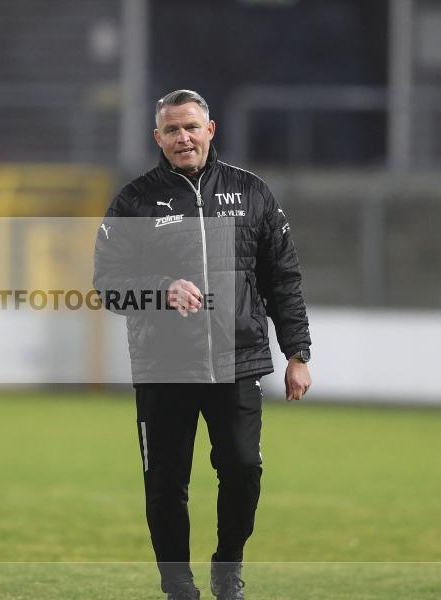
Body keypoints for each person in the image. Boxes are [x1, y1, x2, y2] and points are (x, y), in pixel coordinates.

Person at [93, 89, 312, 600]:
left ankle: (227, 564)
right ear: (158, 137)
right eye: (172, 130)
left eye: (191, 127)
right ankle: (178, 585)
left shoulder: (251, 192)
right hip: (163, 366)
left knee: (243, 468)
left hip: (238, 360)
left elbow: (283, 278)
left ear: (210, 130)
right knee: (167, 483)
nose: (183, 137)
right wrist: (160, 289)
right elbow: (107, 282)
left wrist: (298, 353)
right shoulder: (134, 200)